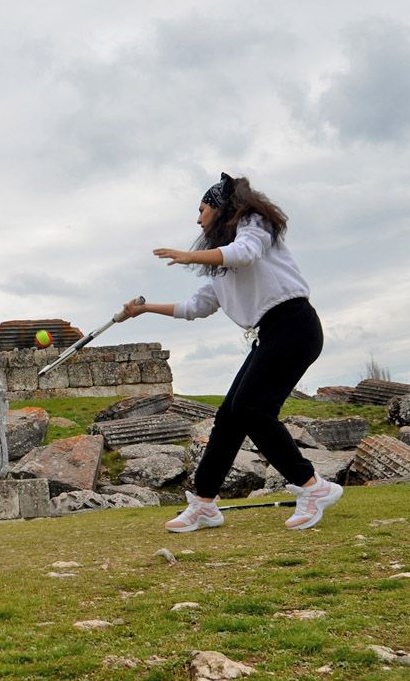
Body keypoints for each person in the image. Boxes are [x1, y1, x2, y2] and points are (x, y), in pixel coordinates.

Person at [122, 172, 343, 533]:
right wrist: (145, 309)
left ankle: (312, 487)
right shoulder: (222, 268)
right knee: (230, 416)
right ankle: (205, 504)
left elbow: (243, 253)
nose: (197, 219)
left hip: (295, 325)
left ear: (219, 207)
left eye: (201, 209)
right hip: (272, 333)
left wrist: (189, 254)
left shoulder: (254, 225)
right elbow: (196, 306)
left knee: (254, 410)